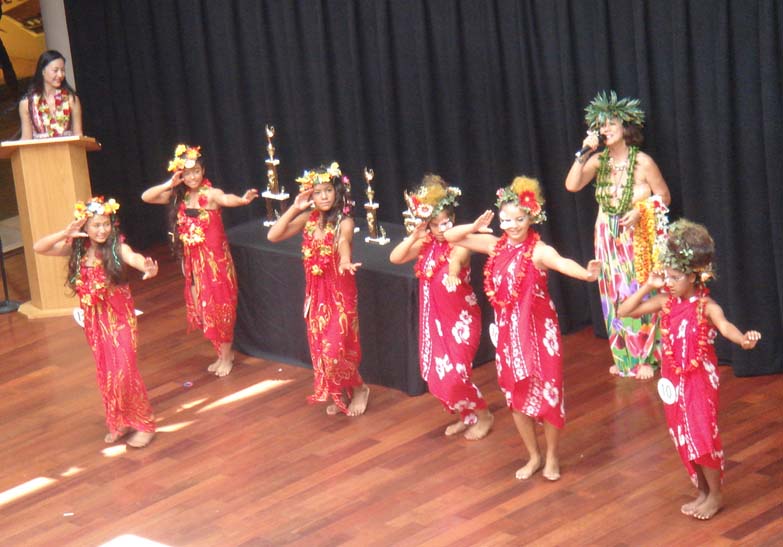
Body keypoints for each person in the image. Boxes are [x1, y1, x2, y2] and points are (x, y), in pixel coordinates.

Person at [445, 176, 600, 481]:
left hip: (540, 334)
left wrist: (586, 275)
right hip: (508, 335)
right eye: (506, 219)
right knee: (515, 395)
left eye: (520, 218)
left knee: (549, 393)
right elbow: (451, 237)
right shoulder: (494, 246)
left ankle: (553, 456)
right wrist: (474, 227)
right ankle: (534, 456)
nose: (513, 225)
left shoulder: (539, 250)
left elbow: (562, 263)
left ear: (532, 216)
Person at [618, 219, 761, 520]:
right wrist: (648, 285)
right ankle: (702, 491)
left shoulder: (706, 306)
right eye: (666, 276)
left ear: (695, 276)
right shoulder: (664, 301)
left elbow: (726, 327)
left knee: (702, 434)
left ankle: (716, 495)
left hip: (699, 380)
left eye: (675, 277)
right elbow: (624, 311)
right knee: (681, 434)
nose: (669, 282)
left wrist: (744, 341)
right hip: (673, 379)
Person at [33, 197, 157, 448]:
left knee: (124, 370)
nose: (102, 230)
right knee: (107, 372)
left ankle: (145, 423)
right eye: (95, 225)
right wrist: (65, 232)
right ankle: (119, 421)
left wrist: (146, 266)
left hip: (120, 318)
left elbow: (133, 257)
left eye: (105, 224)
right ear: (85, 228)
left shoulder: (116, 248)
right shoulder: (77, 249)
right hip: (94, 321)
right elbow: (39, 247)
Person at [565, 91, 671, 380]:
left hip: (636, 238)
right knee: (612, 295)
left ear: (626, 127)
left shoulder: (644, 162)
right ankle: (624, 356)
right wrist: (584, 152)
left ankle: (648, 356)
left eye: (611, 123)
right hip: (607, 237)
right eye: (601, 125)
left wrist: (642, 210)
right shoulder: (598, 162)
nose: (605, 129)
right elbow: (572, 185)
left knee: (639, 289)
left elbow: (664, 196)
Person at [390, 174, 493, 440]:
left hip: (460, 320)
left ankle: (483, 413)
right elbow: (396, 257)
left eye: (444, 222)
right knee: (439, 375)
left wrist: (452, 272)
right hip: (434, 319)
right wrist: (414, 236)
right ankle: (466, 415)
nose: (439, 229)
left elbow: (457, 260)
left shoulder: (460, 243)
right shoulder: (426, 244)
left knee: (456, 374)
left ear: (453, 220)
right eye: (433, 224)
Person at [141, 145, 258, 376]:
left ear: (203, 170)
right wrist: (169, 183)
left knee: (219, 307)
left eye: (196, 171)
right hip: (194, 262)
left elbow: (227, 198)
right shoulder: (179, 197)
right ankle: (223, 354)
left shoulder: (211, 194)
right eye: (187, 173)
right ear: (180, 175)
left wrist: (243, 201)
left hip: (216, 262)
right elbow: (146, 197)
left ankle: (226, 357)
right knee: (203, 307)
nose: (192, 176)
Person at [267, 162, 370, 416]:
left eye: (327, 191)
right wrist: (294, 206)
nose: (323, 196)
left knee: (335, 348)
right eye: (317, 192)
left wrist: (345, 261)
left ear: (336, 192)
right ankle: (339, 391)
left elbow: (343, 241)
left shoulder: (344, 221)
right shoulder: (308, 219)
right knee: (322, 349)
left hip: (339, 291)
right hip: (316, 293)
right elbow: (273, 235)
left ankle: (359, 388)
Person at [19, 50, 82, 139]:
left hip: (67, 151)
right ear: (42, 71)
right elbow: (26, 139)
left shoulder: (71, 100)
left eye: (63, 70)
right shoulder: (27, 103)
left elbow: (78, 134)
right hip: (39, 152)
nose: (60, 75)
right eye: (55, 70)